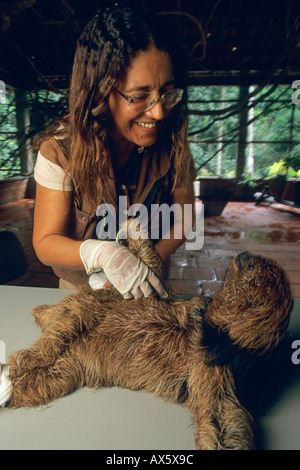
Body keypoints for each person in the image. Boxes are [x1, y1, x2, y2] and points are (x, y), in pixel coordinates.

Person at [32, 5, 196, 299]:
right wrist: (104, 255)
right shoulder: (59, 150)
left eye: (167, 92)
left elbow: (184, 219)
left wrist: (147, 265)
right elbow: (45, 242)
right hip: (80, 295)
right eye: (138, 96)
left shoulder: (173, 141)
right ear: (99, 92)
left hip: (149, 289)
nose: (158, 112)